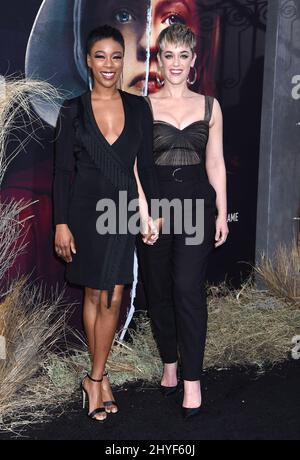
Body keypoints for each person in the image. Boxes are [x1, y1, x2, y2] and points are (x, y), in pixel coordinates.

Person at [53, 25, 159, 422]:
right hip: (83, 213)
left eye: (116, 56)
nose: (109, 65)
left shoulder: (139, 107)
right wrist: (61, 224)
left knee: (114, 293)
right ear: (88, 60)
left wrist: (153, 215)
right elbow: (62, 172)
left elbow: (145, 168)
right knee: (94, 296)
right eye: (101, 56)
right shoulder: (72, 109)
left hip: (121, 212)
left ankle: (95, 376)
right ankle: (100, 377)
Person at [137, 24, 228, 419]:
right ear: (159, 60)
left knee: (187, 289)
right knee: (159, 291)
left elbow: (216, 162)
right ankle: (169, 364)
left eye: (183, 56)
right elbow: (135, 167)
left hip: (196, 206)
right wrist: (143, 213)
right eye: (168, 55)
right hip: (155, 209)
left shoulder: (210, 106)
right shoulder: (142, 107)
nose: (176, 63)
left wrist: (223, 211)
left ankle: (193, 380)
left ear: (193, 61)